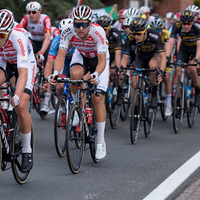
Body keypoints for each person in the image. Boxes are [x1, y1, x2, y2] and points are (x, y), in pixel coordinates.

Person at [49, 5, 109, 160]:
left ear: (90, 23)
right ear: (73, 23)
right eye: (77, 24)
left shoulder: (98, 32)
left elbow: (102, 60)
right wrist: (55, 74)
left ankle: (101, 142)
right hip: (81, 55)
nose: (80, 28)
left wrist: (95, 74)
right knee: (74, 74)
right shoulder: (68, 30)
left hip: (99, 61)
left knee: (97, 99)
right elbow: (61, 55)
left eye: (84, 24)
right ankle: (76, 108)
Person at [0, 9, 36, 172]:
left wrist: (15, 96)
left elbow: (22, 74)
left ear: (8, 32)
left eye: (1, 35)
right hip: (5, 61)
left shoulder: (18, 36)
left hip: (25, 63)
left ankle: (27, 150)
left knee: (20, 105)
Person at [121, 17, 166, 108]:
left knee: (152, 65)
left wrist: (161, 71)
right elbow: (125, 56)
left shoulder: (154, 35)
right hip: (141, 57)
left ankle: (154, 90)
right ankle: (137, 109)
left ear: (145, 31)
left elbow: (163, 56)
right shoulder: (131, 38)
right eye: (134, 34)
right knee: (135, 84)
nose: (136, 37)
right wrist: (122, 69)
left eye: (138, 34)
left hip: (154, 55)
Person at [165, 10, 200, 106]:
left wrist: (197, 58)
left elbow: (199, 45)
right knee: (178, 68)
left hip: (195, 49)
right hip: (184, 49)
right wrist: (167, 57)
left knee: (193, 67)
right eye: (183, 23)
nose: (186, 26)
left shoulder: (197, 27)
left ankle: (197, 90)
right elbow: (171, 42)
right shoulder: (177, 26)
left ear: (193, 22)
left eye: (188, 23)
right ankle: (179, 98)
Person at [40, 18, 75, 114]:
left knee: (78, 83)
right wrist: (47, 81)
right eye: (63, 33)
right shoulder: (57, 40)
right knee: (59, 87)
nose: (66, 36)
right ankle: (63, 111)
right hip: (65, 63)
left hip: (77, 63)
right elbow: (49, 63)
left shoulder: (78, 40)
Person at [97, 15, 124, 105]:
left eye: (105, 29)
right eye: (101, 29)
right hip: (102, 56)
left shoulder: (116, 34)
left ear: (109, 27)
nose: (102, 31)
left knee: (113, 71)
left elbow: (118, 54)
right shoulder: (96, 34)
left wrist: (117, 67)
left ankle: (120, 89)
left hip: (113, 55)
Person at [150, 18, 172, 116]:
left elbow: (167, 49)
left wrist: (166, 59)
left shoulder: (166, 34)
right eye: (155, 29)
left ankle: (168, 103)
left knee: (166, 77)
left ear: (162, 29)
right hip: (154, 55)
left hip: (164, 55)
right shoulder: (150, 34)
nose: (157, 32)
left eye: (159, 30)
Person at [20, 1, 52, 66]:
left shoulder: (45, 19)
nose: (31, 14)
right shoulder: (26, 18)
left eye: (34, 12)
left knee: (48, 60)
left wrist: (41, 53)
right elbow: (18, 32)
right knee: (24, 52)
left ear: (39, 12)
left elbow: (47, 39)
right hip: (34, 41)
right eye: (29, 12)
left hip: (46, 41)